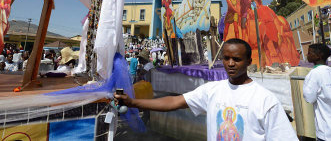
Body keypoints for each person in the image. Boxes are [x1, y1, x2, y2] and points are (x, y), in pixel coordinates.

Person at [115, 38, 297, 140]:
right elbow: (174, 101)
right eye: (226, 58)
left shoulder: (265, 100)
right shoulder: (212, 90)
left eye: (237, 59)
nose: (231, 64)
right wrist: (133, 102)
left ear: (249, 61)